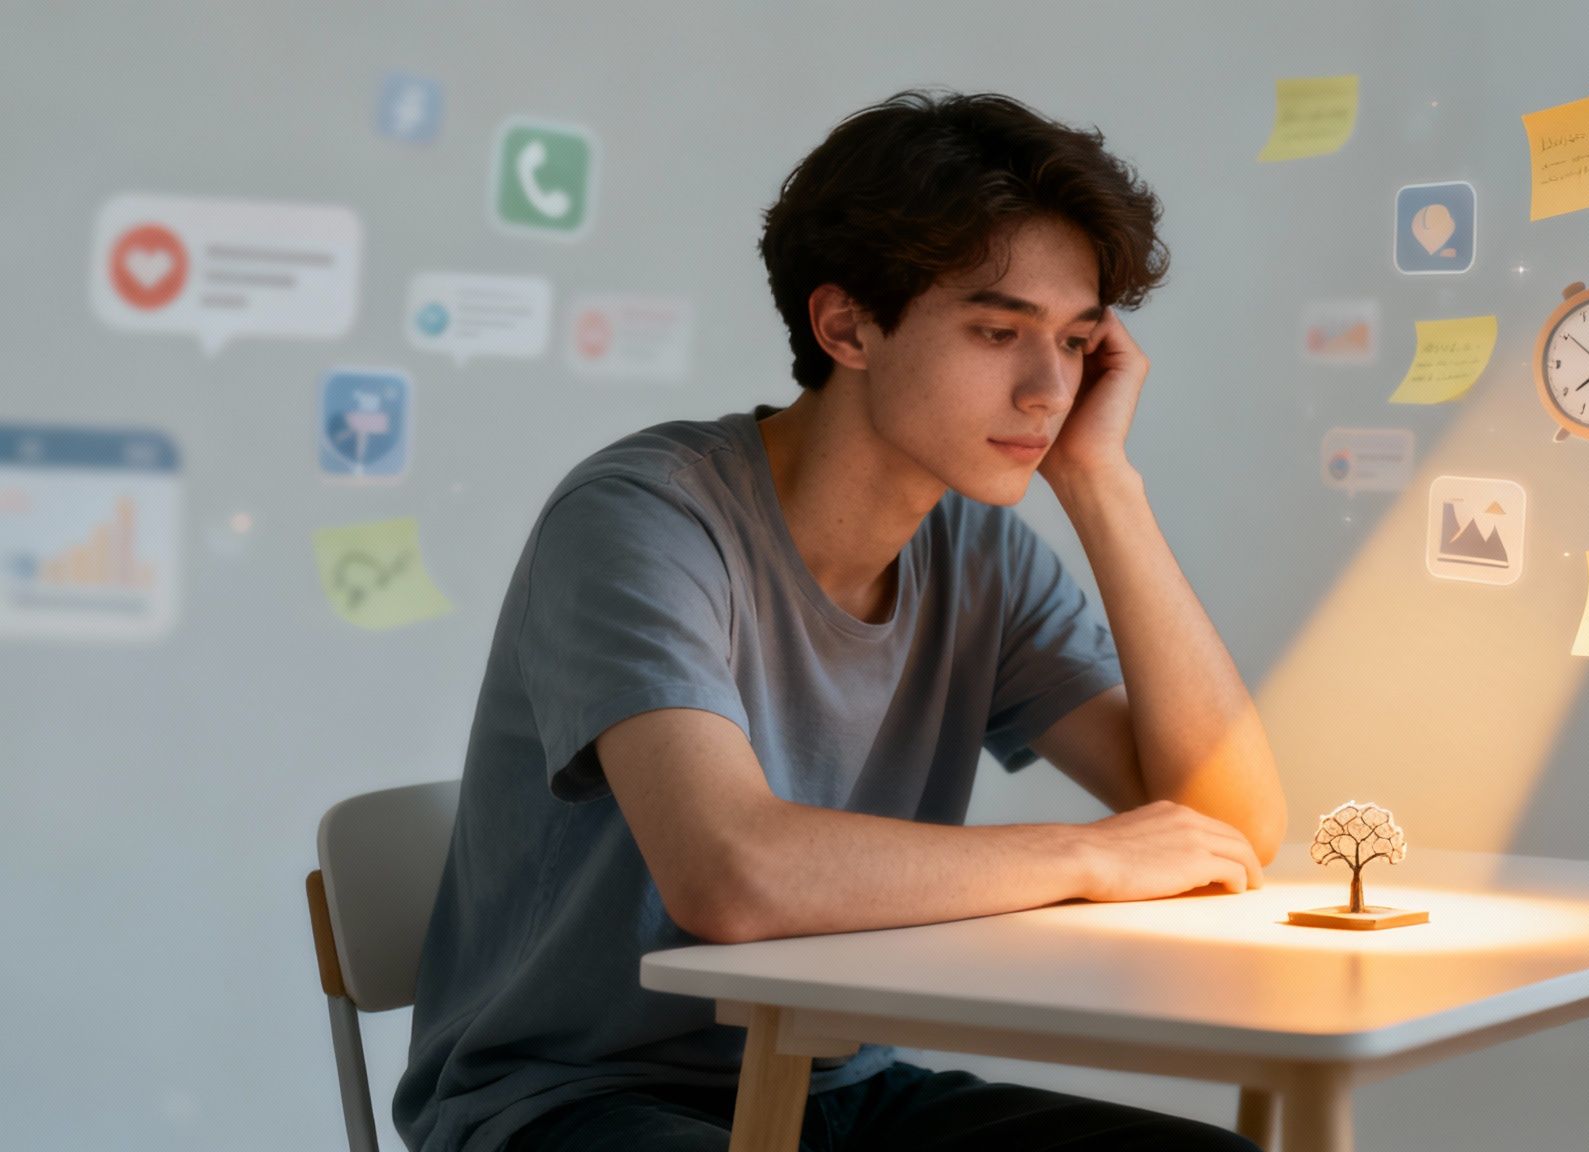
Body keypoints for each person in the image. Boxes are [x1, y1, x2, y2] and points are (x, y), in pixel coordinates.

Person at [395, 88, 1287, 1152]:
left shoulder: (981, 555)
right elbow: (733, 874)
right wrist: (1088, 857)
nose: (1049, 387)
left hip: (830, 1085)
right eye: (999, 331)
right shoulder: (643, 519)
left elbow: (1226, 824)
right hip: (568, 1100)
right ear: (845, 324)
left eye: (1077, 341)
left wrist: (1103, 486)